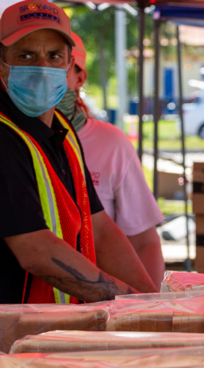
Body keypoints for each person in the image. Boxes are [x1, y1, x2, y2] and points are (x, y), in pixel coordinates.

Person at [0, 0, 156, 304]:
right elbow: (36, 250)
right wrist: (128, 300)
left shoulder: (60, 132)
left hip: (38, 334)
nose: (42, 67)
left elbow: (99, 229)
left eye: (54, 56)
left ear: (70, 64)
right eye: (26, 55)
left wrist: (150, 301)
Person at [59, 32, 165, 289]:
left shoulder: (111, 143)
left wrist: (148, 308)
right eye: (29, 60)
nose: (43, 74)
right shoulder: (4, 142)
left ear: (79, 77)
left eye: (57, 62)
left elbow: (143, 241)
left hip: (99, 306)